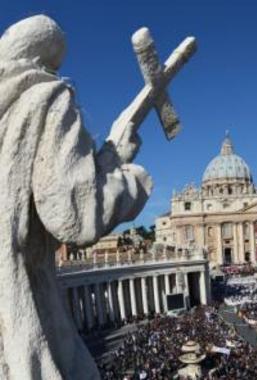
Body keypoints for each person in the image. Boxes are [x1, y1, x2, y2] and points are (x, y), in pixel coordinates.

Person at [0, 15, 152, 379]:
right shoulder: (45, 96)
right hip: (22, 306)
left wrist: (110, 157)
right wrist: (133, 180)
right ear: (50, 60)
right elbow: (73, 213)